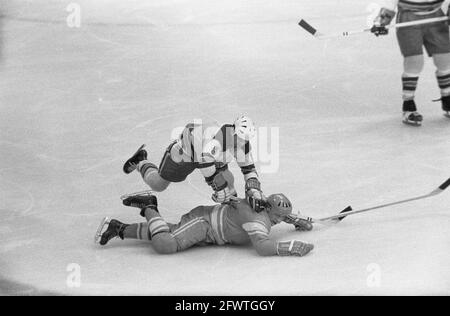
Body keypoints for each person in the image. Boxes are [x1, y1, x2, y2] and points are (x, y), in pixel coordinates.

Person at [95, 192, 314, 257]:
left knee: (166, 230)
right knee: (165, 244)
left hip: (208, 228)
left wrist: (298, 220)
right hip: (204, 223)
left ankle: (119, 228)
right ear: (267, 209)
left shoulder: (265, 207)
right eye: (277, 216)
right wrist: (289, 247)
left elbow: (283, 215)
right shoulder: (256, 221)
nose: (278, 221)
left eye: (282, 217)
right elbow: (262, 247)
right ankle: (149, 206)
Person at [123, 116, 267, 212]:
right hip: (185, 155)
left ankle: (232, 210)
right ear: (234, 133)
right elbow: (208, 170)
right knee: (158, 185)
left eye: (247, 139)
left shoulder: (241, 142)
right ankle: (141, 161)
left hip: (209, 156)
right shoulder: (214, 142)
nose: (243, 143)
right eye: (241, 138)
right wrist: (219, 189)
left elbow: (249, 169)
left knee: (227, 179)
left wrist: (254, 188)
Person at [372, 0, 450, 125]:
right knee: (414, 61)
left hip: (436, 18)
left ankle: (447, 99)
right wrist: (382, 20)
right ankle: (408, 105)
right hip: (409, 20)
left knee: (444, 59)